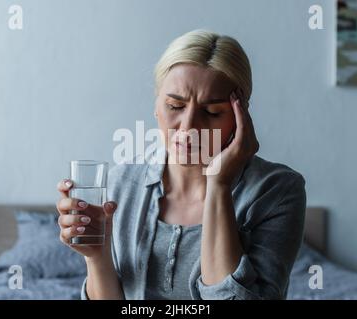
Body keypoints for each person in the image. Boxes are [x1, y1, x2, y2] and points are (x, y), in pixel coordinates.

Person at [56, 29, 306, 300]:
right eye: (175, 106)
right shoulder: (121, 184)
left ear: (240, 114)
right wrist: (97, 256)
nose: (188, 127)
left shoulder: (277, 191)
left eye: (211, 112)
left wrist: (219, 186)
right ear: (156, 104)